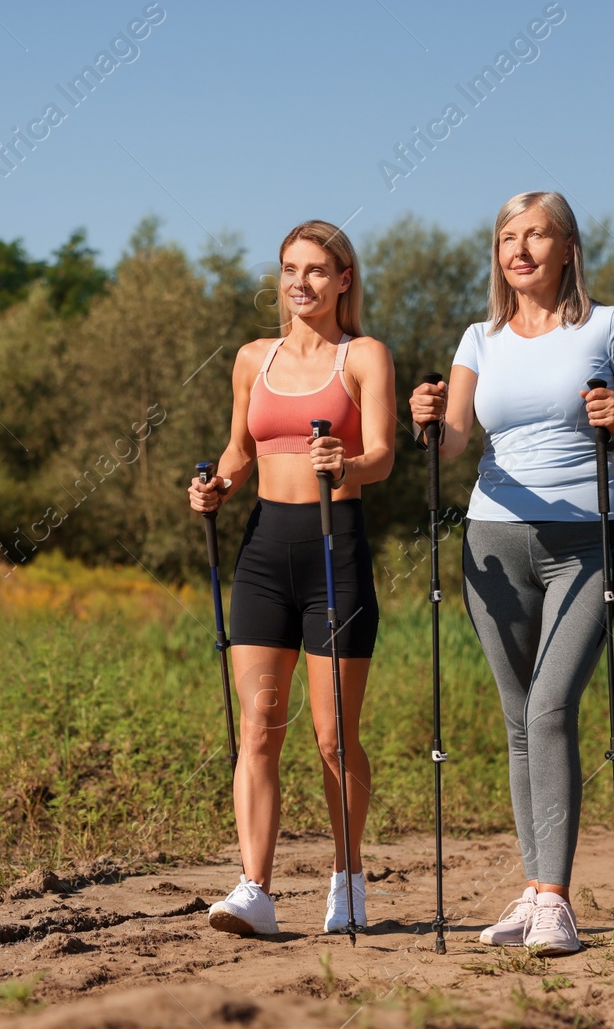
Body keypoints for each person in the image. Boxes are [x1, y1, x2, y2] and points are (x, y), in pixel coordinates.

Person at [408, 191, 614, 955]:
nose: (518, 249)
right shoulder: (479, 339)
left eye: (535, 235)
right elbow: (455, 443)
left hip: (587, 538)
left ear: (568, 247)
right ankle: (533, 891)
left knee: (551, 706)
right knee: (518, 716)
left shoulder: (607, 326)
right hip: (494, 544)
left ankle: (557, 901)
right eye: (506, 237)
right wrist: (424, 419)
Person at [189, 220, 396, 936]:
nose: (299, 282)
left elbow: (383, 457)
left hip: (335, 552)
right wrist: (215, 484)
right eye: (288, 269)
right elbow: (240, 452)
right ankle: (255, 888)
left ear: (343, 280)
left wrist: (347, 463)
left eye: (315, 270)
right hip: (263, 552)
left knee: (334, 736)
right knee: (258, 728)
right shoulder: (254, 358)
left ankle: (349, 876)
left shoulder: (364, 356)